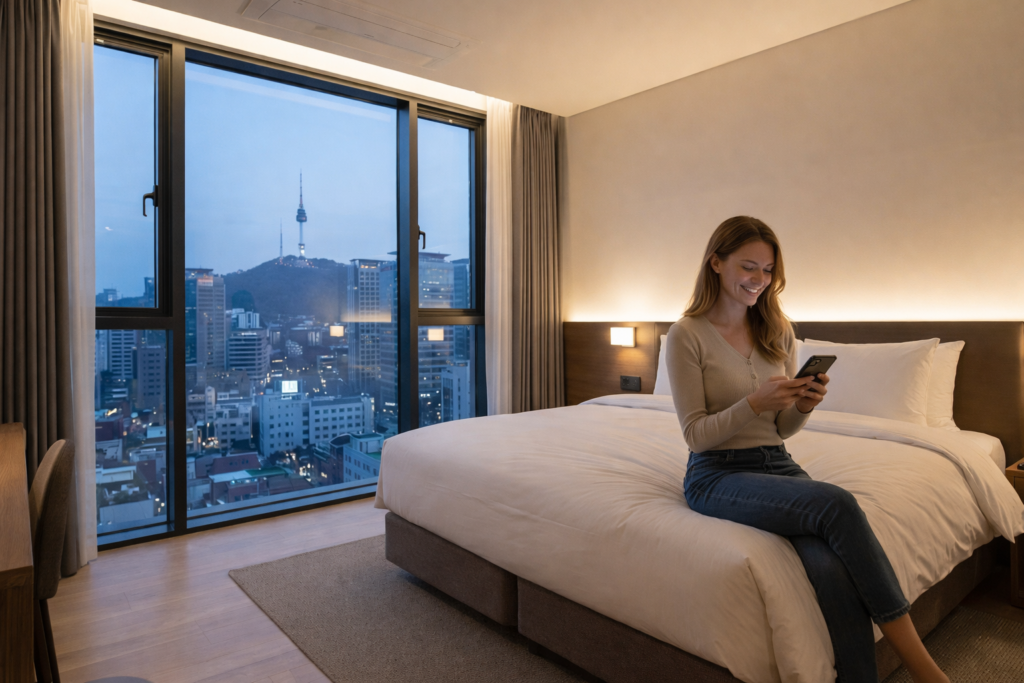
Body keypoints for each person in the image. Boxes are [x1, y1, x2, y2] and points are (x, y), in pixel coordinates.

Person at [664, 216, 948, 683]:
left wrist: (804, 404)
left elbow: (781, 430)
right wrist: (754, 402)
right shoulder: (687, 334)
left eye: (768, 270)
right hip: (715, 474)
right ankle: (927, 672)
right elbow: (696, 435)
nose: (759, 280)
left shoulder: (777, 330)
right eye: (748, 267)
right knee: (837, 504)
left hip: (777, 463)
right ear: (716, 262)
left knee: (829, 566)